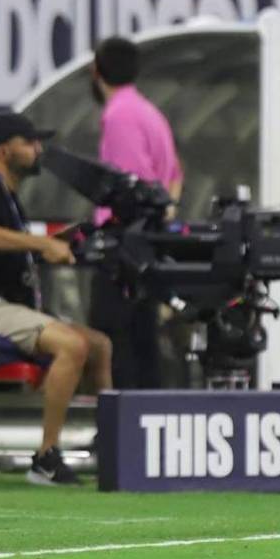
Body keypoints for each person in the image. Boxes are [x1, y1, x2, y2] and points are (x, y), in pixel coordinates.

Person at [0, 112, 112, 485]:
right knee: (73, 345)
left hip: (6, 305)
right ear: (4, 150)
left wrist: (58, 244)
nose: (38, 149)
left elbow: (5, 249)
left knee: (100, 346)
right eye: (29, 142)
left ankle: (108, 442)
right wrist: (41, 243)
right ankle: (46, 457)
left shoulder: (7, 196)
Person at [88, 37, 183, 390]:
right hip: (148, 238)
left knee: (114, 334)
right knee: (143, 335)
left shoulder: (119, 115)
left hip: (125, 242)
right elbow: (174, 176)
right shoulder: (149, 112)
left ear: (96, 70)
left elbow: (130, 186)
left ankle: (122, 425)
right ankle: (144, 424)